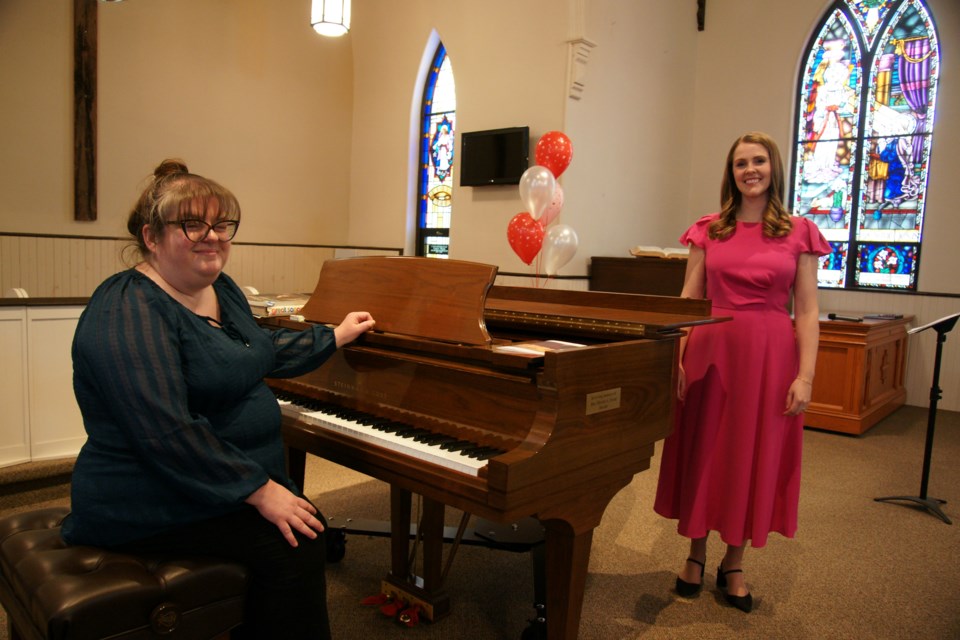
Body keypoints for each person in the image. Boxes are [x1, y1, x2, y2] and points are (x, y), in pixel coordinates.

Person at [62, 159, 376, 639]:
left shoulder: (219, 288)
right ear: (151, 237)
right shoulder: (128, 307)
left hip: (210, 485)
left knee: (299, 525)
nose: (212, 236)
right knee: (297, 543)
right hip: (149, 495)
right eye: (192, 225)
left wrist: (332, 337)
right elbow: (164, 431)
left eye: (221, 224)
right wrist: (260, 489)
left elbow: (258, 351)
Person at [653, 132, 830, 613]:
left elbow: (808, 311)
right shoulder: (708, 229)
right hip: (711, 350)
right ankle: (694, 553)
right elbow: (690, 298)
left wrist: (806, 376)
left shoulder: (800, 231)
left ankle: (734, 560)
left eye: (758, 161)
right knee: (705, 449)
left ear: (774, 167)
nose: (749, 170)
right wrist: (677, 356)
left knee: (751, 453)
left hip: (769, 356)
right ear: (730, 174)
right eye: (739, 164)